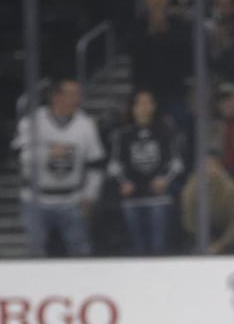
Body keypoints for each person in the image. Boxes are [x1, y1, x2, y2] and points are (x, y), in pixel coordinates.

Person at [12, 79, 104, 257]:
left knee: (80, 249)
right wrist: (46, 153)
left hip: (71, 199)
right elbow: (16, 154)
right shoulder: (33, 121)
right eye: (71, 94)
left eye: (77, 94)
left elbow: (96, 163)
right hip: (36, 198)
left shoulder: (85, 124)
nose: (77, 98)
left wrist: (90, 195)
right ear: (57, 96)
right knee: (35, 249)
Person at [107, 90, 184, 255]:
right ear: (133, 108)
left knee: (159, 246)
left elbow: (177, 164)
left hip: (159, 199)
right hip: (132, 199)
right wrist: (123, 183)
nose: (143, 108)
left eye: (147, 103)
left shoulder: (166, 132)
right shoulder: (122, 134)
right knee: (136, 248)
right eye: (139, 103)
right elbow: (114, 165)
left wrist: (165, 180)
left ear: (154, 107)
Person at [181, 152, 234, 255]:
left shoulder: (230, 188)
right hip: (199, 234)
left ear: (219, 168)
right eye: (204, 167)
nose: (208, 170)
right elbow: (189, 220)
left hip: (224, 232)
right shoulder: (190, 189)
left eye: (212, 166)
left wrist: (221, 244)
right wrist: (205, 242)